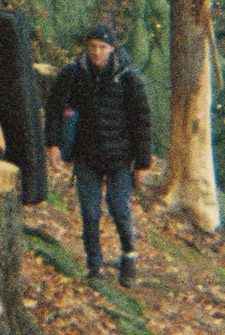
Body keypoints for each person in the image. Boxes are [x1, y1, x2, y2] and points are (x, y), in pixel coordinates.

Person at [43, 22, 153, 286]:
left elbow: (142, 120)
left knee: (119, 208)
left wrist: (142, 163)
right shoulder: (74, 73)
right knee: (90, 212)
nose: (96, 52)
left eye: (102, 47)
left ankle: (128, 257)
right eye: (92, 46)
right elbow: (54, 106)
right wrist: (53, 144)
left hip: (119, 157)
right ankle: (95, 265)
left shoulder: (128, 77)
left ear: (112, 49)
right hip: (86, 154)